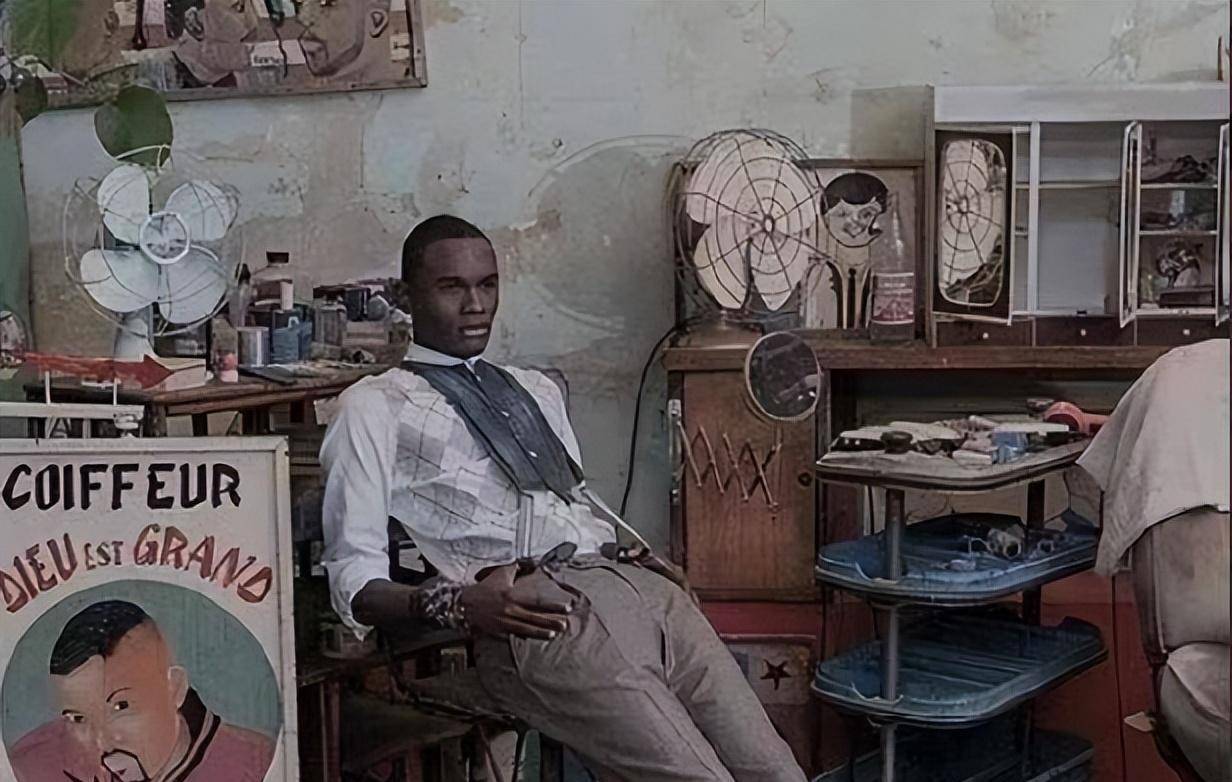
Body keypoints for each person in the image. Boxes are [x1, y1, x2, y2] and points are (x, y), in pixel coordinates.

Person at [320, 215, 806, 781]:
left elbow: (568, 508)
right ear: (406, 298)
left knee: (777, 771)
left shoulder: (536, 389)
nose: (476, 305)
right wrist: (457, 603)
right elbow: (353, 579)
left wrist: (629, 557)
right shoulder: (373, 406)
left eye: (488, 285)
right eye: (452, 287)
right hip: (542, 618)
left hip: (639, 592)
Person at [9, 600, 275, 782]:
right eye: (78, 718)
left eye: (121, 707)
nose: (102, 742)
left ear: (175, 689)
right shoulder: (32, 765)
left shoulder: (251, 764)